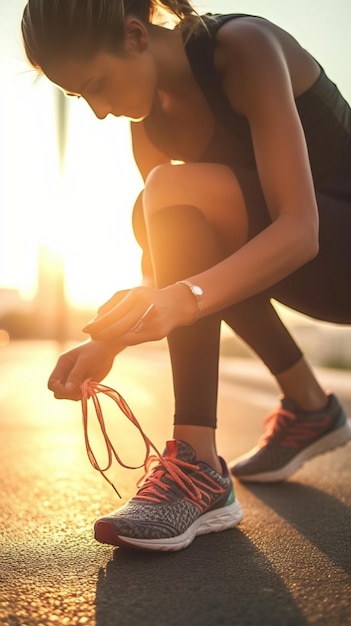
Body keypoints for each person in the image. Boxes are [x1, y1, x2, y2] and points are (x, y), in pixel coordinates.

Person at [21, 0, 351, 552]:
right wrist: (108, 342)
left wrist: (186, 296)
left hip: (336, 249)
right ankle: (307, 408)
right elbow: (173, 258)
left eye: (97, 84)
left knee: (170, 199)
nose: (99, 111)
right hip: (306, 263)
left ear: (135, 36)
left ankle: (197, 467)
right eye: (81, 97)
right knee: (155, 212)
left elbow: (300, 230)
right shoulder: (148, 124)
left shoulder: (243, 49)